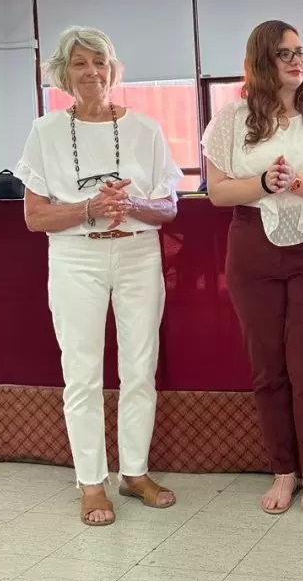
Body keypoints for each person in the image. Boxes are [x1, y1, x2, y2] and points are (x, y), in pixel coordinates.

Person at [16, 27, 181, 526]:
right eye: (81, 64)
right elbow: (34, 217)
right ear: (64, 73)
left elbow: (170, 207)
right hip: (75, 259)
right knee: (82, 373)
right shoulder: (45, 131)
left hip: (136, 254)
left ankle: (135, 473)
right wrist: (89, 207)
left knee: (139, 367)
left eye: (101, 63)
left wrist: (131, 204)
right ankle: (91, 483)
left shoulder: (146, 129)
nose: (93, 73)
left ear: (114, 70)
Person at [203, 20, 303, 516]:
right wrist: (265, 185)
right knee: (268, 368)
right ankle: (282, 470)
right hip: (252, 245)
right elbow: (218, 192)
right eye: (283, 53)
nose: (296, 60)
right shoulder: (231, 119)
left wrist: (297, 182)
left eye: (300, 51)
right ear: (261, 62)